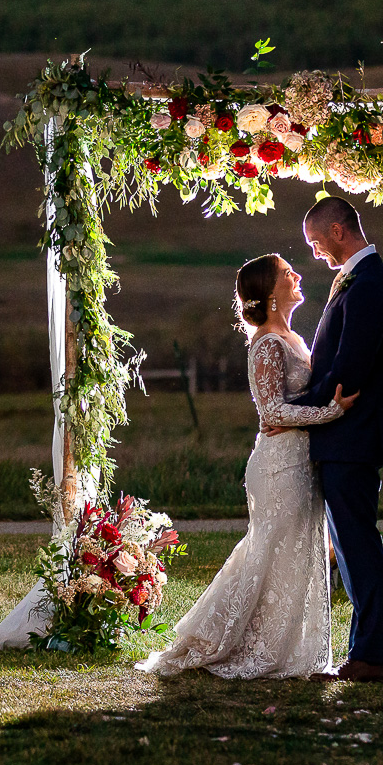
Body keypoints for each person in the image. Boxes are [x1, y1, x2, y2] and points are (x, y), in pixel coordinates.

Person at [136, 254, 357, 678]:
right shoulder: (266, 344)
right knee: (266, 555)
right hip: (277, 469)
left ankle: (290, 647)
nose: (297, 275)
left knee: (295, 558)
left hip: (300, 463)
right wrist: (329, 413)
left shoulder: (292, 337)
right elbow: (272, 413)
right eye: (286, 272)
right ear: (270, 293)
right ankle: (222, 641)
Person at [270, 197, 383, 683]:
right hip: (345, 437)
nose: (315, 251)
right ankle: (370, 654)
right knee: (350, 547)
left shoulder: (369, 285)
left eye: (316, 241)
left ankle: (370, 657)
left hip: (351, 437)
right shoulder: (361, 280)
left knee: (357, 546)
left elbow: (348, 371)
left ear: (339, 231)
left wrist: (298, 412)